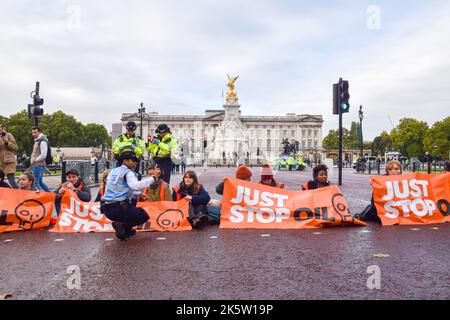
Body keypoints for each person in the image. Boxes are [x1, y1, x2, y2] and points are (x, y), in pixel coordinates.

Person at [100, 151, 157, 240]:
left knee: (131, 204)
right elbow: (136, 186)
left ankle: (124, 231)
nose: (136, 163)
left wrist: (138, 194)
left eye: (136, 161)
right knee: (143, 216)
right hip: (119, 208)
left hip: (106, 209)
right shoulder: (128, 172)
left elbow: (119, 190)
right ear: (125, 161)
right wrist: (153, 178)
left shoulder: (112, 171)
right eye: (133, 160)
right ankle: (122, 225)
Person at [30, 126, 51, 192]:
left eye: (35, 132)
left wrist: (35, 160)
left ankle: (40, 197)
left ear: (39, 132)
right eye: (32, 132)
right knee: (40, 182)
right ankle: (51, 195)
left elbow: (43, 154)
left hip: (37, 165)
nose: (33, 134)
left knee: (36, 183)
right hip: (38, 165)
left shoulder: (42, 141)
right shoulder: (39, 140)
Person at [0, 123, 19, 188]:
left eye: (0, 127)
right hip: (1, 163)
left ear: (3, 128)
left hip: (8, 162)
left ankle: (21, 194)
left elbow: (15, 148)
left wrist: (7, 142)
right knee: (0, 182)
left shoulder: (8, 135)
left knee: (12, 182)